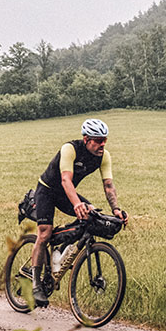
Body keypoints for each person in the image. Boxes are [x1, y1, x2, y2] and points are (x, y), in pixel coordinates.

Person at [27, 118, 128, 307]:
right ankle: (35, 284)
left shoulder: (103, 156)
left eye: (105, 139)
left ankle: (60, 250)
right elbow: (66, 180)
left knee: (92, 216)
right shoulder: (70, 149)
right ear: (86, 139)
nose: (102, 144)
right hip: (48, 190)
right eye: (98, 140)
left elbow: (108, 185)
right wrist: (76, 204)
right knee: (45, 233)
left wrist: (116, 210)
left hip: (67, 193)